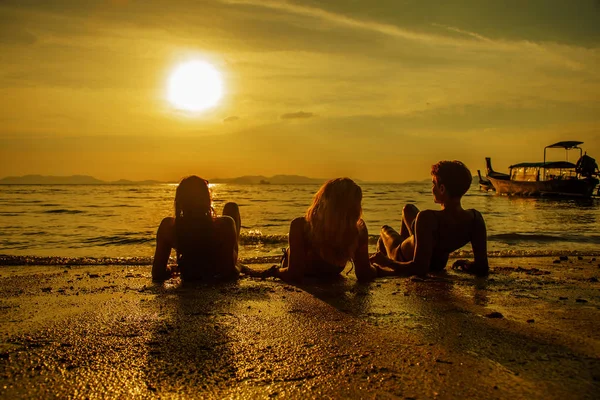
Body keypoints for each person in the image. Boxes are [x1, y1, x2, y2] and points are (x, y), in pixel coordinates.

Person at [370, 160, 489, 277]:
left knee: (384, 231)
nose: (432, 189)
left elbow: (419, 268)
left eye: (433, 184)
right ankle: (408, 246)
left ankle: (385, 269)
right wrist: (468, 264)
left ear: (442, 189)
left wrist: (386, 262)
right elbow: (482, 267)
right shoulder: (475, 219)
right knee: (408, 209)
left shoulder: (427, 218)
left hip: (401, 255)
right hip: (437, 263)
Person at [268, 178, 377, 282]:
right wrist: (379, 267)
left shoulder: (300, 225)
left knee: (291, 249)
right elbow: (364, 274)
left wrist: (274, 271)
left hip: (304, 271)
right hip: (332, 274)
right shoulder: (357, 229)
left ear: (322, 199)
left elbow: (293, 275)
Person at [152, 175, 241, 281]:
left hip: (189, 273)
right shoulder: (224, 225)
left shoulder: (168, 226)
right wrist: (240, 267)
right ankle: (238, 262)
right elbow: (228, 272)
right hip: (214, 270)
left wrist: (171, 269)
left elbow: (157, 273)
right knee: (231, 207)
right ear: (207, 200)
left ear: (179, 201)